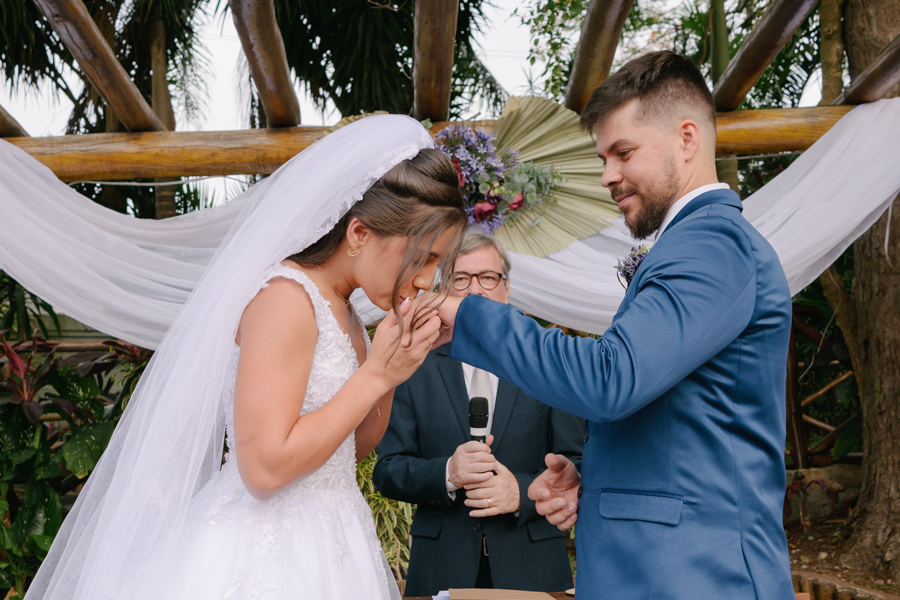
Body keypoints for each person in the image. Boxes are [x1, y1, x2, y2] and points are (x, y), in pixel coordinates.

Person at [24, 116, 467, 600]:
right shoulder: (286, 298)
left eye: (436, 264)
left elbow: (347, 450)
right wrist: (376, 374)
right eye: (422, 257)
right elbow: (265, 470)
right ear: (358, 232)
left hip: (334, 541)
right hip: (267, 553)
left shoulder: (350, 315)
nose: (426, 279)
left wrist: (392, 370)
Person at [429, 51, 795, 599]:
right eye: (604, 157)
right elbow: (676, 412)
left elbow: (612, 378)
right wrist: (592, 478)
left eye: (623, 153)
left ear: (687, 138)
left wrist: (469, 314)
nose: (607, 176)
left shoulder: (712, 243)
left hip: (696, 577)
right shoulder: (690, 244)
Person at [373, 233, 584, 596]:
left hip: (533, 567)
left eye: (488, 277)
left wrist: (520, 493)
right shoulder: (413, 365)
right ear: (443, 290)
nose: (476, 290)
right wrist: (447, 473)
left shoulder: (544, 363)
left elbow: (577, 463)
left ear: (506, 289)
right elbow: (387, 470)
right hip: (441, 568)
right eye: (461, 279)